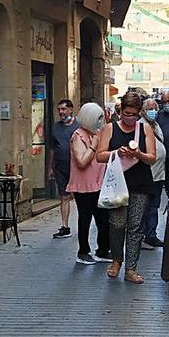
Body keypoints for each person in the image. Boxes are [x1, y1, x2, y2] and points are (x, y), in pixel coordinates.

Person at [96, 91, 156, 284]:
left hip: (140, 183)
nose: (130, 118)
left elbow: (152, 158)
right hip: (116, 184)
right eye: (126, 114)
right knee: (117, 224)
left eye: (133, 114)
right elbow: (100, 155)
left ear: (139, 112)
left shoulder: (145, 129)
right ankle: (116, 259)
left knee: (136, 226)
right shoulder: (110, 128)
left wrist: (138, 153)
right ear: (121, 110)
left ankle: (131, 268)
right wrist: (117, 153)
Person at [66, 103, 111, 265]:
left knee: (103, 219)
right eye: (98, 118)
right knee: (85, 218)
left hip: (98, 184)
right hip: (83, 186)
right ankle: (83, 252)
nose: (101, 121)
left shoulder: (98, 134)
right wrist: (93, 145)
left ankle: (103, 250)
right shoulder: (78, 136)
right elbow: (81, 161)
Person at [49, 99, 78, 239]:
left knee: (80, 197)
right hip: (60, 167)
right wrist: (50, 167)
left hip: (77, 167)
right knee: (64, 196)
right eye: (59, 109)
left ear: (71, 109)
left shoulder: (79, 126)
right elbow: (52, 149)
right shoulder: (56, 127)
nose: (61, 112)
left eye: (64, 109)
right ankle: (65, 226)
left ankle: (83, 224)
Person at [140, 97, 167, 249]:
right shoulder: (141, 126)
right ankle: (143, 236)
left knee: (154, 206)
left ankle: (151, 235)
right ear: (143, 111)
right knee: (145, 207)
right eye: (150, 109)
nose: (153, 111)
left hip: (158, 173)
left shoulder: (155, 125)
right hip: (147, 173)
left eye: (155, 108)